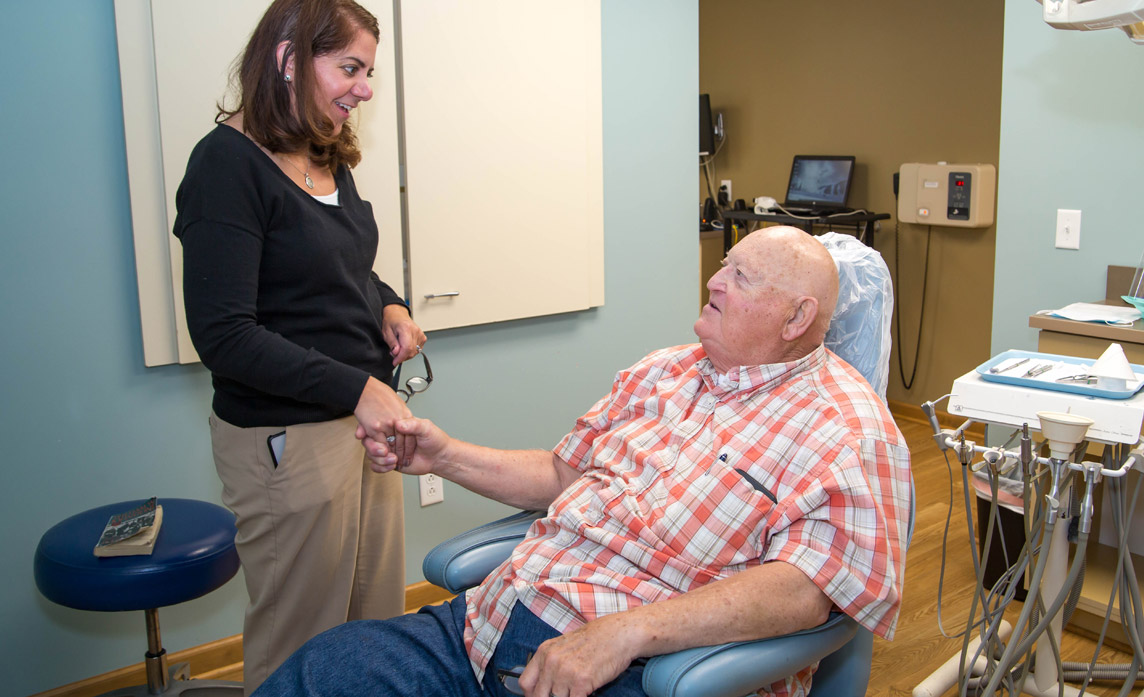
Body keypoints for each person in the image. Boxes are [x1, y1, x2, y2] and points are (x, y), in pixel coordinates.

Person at [255, 226, 911, 697]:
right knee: (319, 672)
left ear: (796, 317)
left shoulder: (847, 429)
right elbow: (561, 474)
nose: (714, 279)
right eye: (724, 263)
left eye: (740, 276)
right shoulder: (663, 372)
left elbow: (806, 588)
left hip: (636, 671)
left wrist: (627, 632)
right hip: (485, 626)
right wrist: (443, 455)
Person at [171, 0, 427, 691]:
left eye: (369, 71)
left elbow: (342, 267)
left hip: (362, 429)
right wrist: (358, 387)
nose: (364, 88)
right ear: (288, 59)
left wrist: (389, 303)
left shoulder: (323, 150)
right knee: (302, 646)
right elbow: (225, 336)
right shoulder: (225, 166)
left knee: (371, 628)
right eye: (350, 67)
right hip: (288, 442)